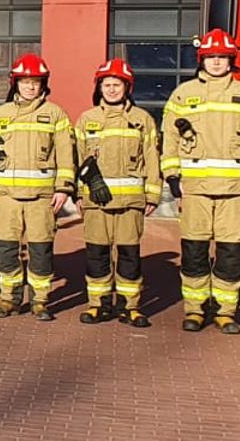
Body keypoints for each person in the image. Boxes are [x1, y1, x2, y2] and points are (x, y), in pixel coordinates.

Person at [163, 29, 240, 335]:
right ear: (201, 60)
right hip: (195, 190)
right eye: (210, 57)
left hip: (234, 193)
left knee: (230, 253)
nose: (215, 63)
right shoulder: (182, 95)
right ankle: (195, 310)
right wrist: (172, 178)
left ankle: (225, 311)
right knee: (194, 252)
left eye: (221, 58)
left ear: (230, 61)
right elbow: (169, 141)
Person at [0, 53, 75, 321]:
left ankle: (40, 301)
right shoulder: (0, 115)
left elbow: (65, 154)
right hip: (6, 198)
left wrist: (64, 188)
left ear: (43, 85)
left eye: (35, 82)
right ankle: (9, 299)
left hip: (42, 198)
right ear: (15, 83)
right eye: (25, 81)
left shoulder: (55, 115)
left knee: (40, 251)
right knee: (6, 250)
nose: (30, 86)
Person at [74, 59, 161, 328]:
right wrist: (79, 194)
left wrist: (153, 194)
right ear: (99, 87)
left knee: (129, 255)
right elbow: (76, 160)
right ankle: (98, 305)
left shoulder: (142, 120)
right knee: (97, 254)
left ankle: (129, 306)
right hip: (95, 203)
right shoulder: (87, 120)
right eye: (106, 84)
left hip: (131, 202)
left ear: (127, 86)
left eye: (117, 84)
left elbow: (152, 157)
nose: (111, 90)